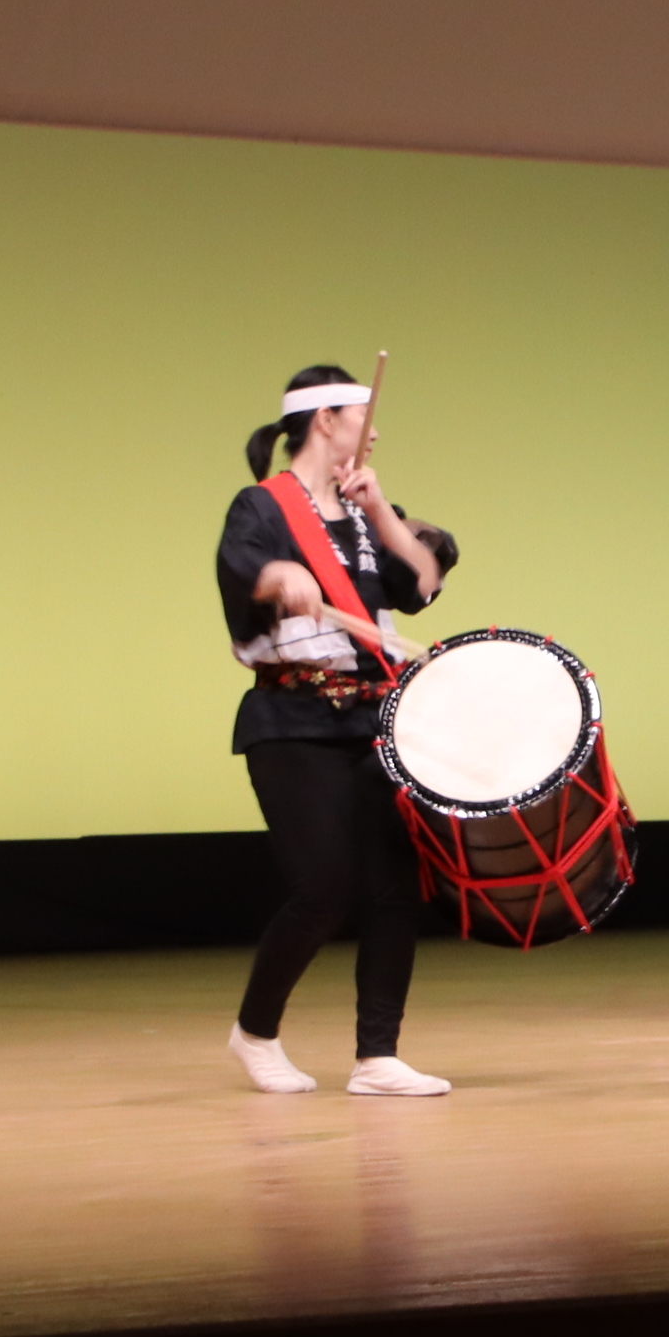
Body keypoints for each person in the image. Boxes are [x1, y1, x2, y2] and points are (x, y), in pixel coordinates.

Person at [214, 365, 453, 1096]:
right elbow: (244, 571)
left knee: (392, 887)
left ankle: (376, 1056)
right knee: (323, 886)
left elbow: (424, 583)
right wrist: (278, 577)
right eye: (362, 414)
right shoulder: (261, 508)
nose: (373, 429)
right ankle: (255, 1034)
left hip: (373, 721)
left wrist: (381, 514)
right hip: (292, 720)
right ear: (325, 420)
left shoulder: (365, 511)